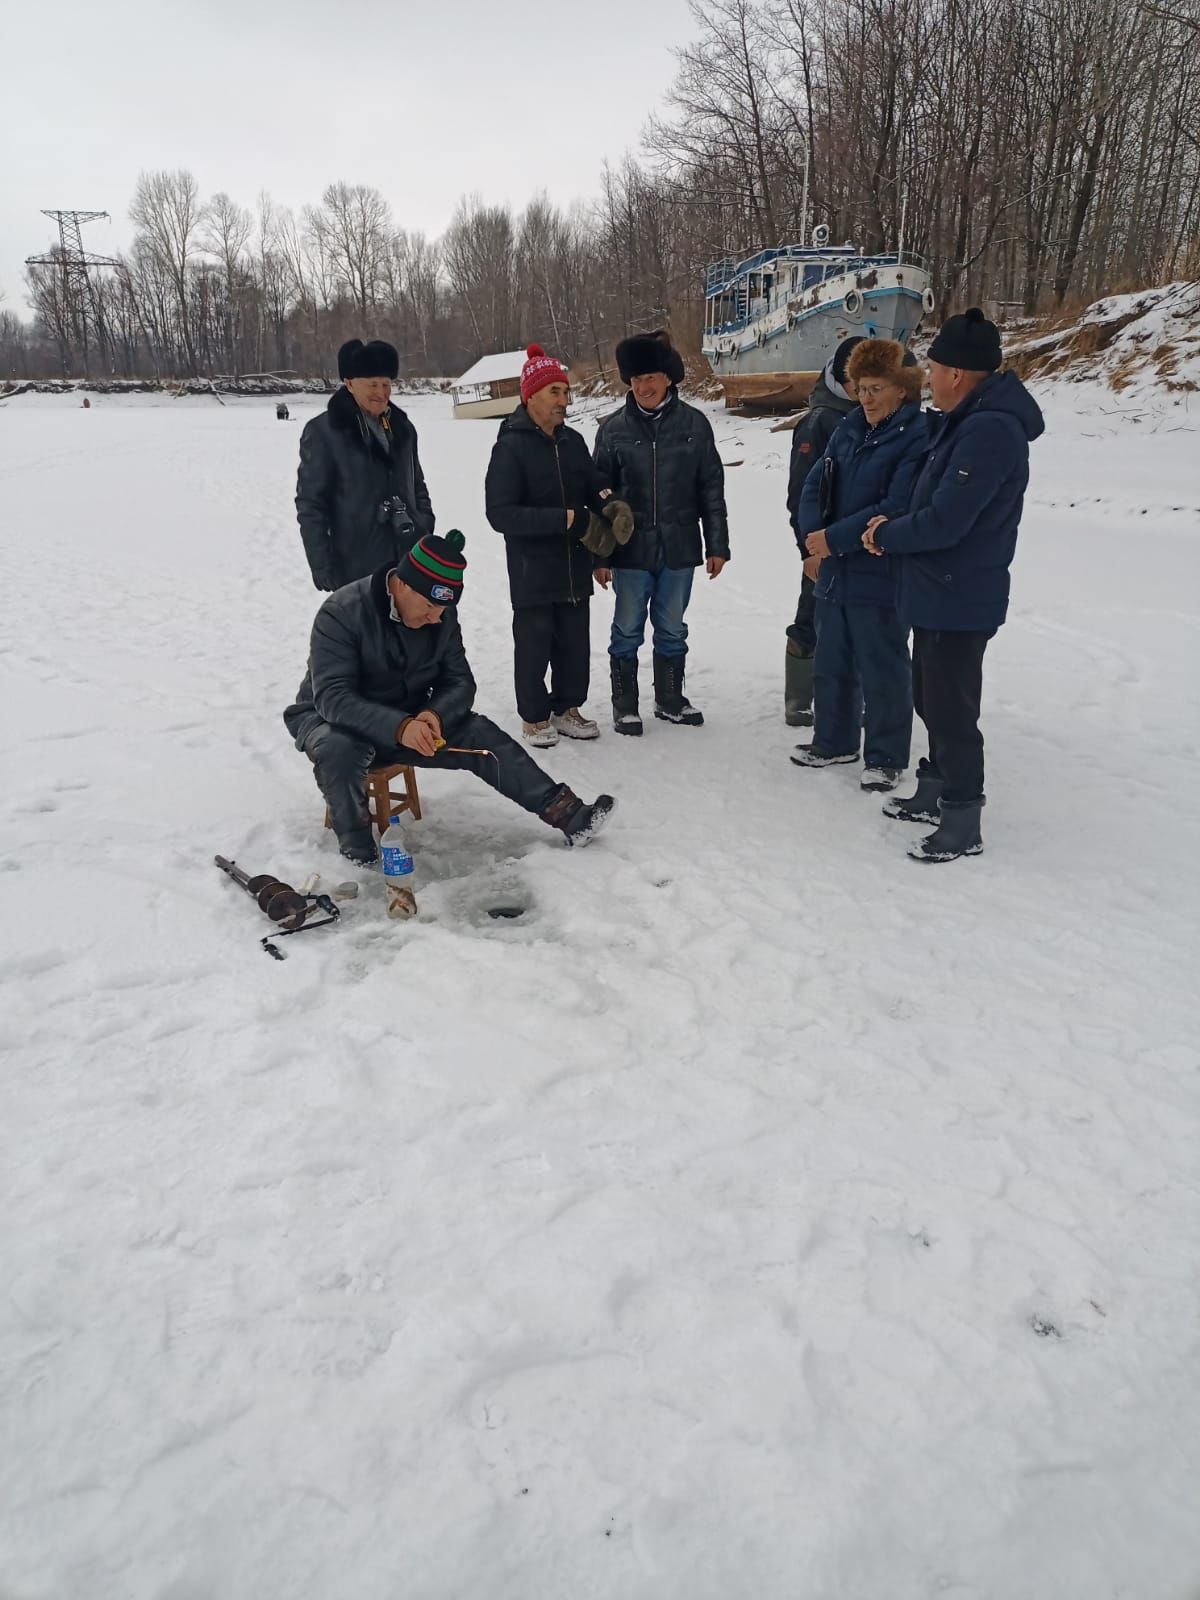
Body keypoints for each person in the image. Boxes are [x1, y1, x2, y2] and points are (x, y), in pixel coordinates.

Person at [283, 531, 615, 865]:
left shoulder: (439, 614)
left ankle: (568, 815)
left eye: (443, 609)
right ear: (402, 584)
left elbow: (459, 681)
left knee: (480, 735)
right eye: (429, 606)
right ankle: (357, 848)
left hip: (408, 715)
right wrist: (400, 726)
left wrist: (434, 715)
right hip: (333, 722)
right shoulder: (341, 613)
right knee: (340, 749)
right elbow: (333, 698)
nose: (436, 618)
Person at [861, 307, 1045, 861]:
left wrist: (887, 534)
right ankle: (937, 789)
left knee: (951, 709)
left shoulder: (989, 431)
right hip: (937, 590)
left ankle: (964, 817)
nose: (929, 379)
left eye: (934, 368)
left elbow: (947, 521)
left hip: (960, 594)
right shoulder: (964, 421)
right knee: (929, 697)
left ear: (958, 375)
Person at [792, 340, 927, 790]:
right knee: (833, 659)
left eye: (875, 389)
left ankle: (886, 756)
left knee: (883, 667)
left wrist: (833, 539)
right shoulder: (849, 428)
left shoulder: (916, 437)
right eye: (860, 388)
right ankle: (833, 740)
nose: (865, 398)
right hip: (834, 570)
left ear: (901, 391)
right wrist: (814, 544)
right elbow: (813, 487)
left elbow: (896, 504)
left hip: (880, 570)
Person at [485, 344, 631, 748]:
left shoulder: (573, 442)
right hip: (533, 569)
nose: (563, 401)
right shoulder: (510, 447)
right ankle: (533, 717)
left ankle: (567, 707)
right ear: (530, 396)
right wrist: (564, 519)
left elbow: (592, 482)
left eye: (566, 393)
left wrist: (609, 502)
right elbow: (500, 513)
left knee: (573, 644)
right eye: (554, 392)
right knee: (534, 646)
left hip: (573, 564)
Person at [592, 330, 729, 734]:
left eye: (650, 377)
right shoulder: (612, 430)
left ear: (668, 378)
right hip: (629, 549)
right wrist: (600, 555)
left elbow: (711, 489)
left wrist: (717, 543)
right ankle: (625, 704)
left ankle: (670, 699)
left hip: (680, 546)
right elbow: (598, 498)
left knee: (672, 627)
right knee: (627, 628)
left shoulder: (696, 425)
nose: (643, 387)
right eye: (635, 380)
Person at [295, 338, 435, 592]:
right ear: (349, 383)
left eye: (386, 384)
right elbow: (311, 505)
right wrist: (322, 565)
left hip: (408, 559)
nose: (381, 393)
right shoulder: (324, 432)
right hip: (355, 565)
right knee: (365, 631)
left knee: (410, 629)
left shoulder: (404, 428)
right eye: (372, 384)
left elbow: (417, 484)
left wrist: (423, 524)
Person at [784, 337, 864, 726]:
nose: (861, 388)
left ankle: (852, 695)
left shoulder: (876, 416)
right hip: (822, 543)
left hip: (860, 543)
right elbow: (800, 494)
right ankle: (798, 698)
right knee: (810, 614)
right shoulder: (819, 422)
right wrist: (808, 549)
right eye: (854, 379)